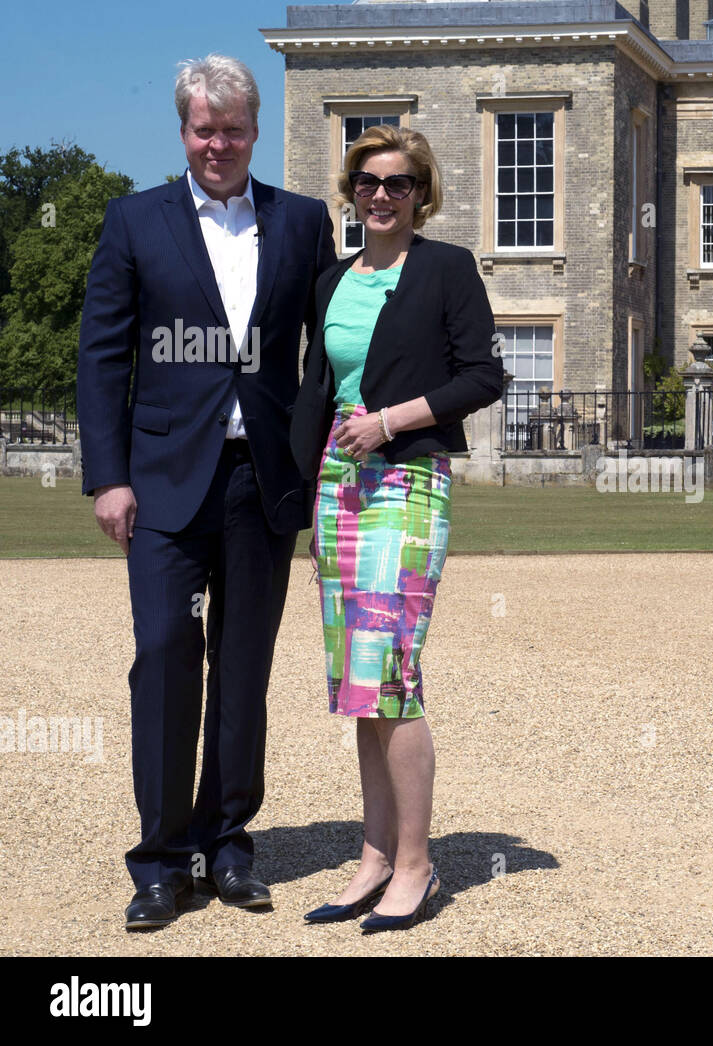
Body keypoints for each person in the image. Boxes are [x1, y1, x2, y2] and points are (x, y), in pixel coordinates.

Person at [77, 55, 336, 930]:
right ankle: (158, 859)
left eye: (233, 128)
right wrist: (108, 477)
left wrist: (311, 470)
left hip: (261, 485)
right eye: (203, 128)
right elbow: (103, 358)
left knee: (243, 672)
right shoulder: (133, 221)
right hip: (160, 487)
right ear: (183, 132)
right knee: (162, 658)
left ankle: (227, 845)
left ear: (255, 131)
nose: (218, 142)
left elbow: (326, 360)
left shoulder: (301, 223)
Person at [291, 125, 503, 932]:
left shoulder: (445, 269)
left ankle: (417, 863)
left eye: (400, 183)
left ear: (423, 193)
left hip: (407, 478)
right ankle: (375, 855)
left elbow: (483, 374)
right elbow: (317, 386)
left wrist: (390, 421)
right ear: (352, 192)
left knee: (390, 668)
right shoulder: (330, 281)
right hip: (338, 486)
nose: (382, 195)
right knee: (356, 679)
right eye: (369, 182)